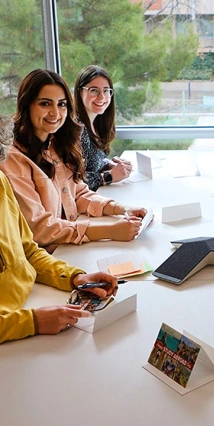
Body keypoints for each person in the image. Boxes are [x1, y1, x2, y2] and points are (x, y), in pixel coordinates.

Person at [0, 114, 119, 344]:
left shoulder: (2, 183)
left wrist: (76, 277)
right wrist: (33, 322)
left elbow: (29, 253)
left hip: (34, 300)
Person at [0, 69, 146, 252]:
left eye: (62, 104)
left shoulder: (55, 143)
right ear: (26, 105)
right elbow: (39, 228)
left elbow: (77, 194)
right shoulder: (12, 157)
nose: (55, 113)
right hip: (40, 261)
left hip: (67, 247)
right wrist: (109, 230)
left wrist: (121, 209)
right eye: (45, 104)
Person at [74, 65, 132, 191]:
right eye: (94, 90)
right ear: (80, 91)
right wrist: (109, 176)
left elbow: (91, 163)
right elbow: (73, 181)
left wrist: (108, 164)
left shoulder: (97, 122)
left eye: (106, 90)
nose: (101, 97)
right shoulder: (77, 128)